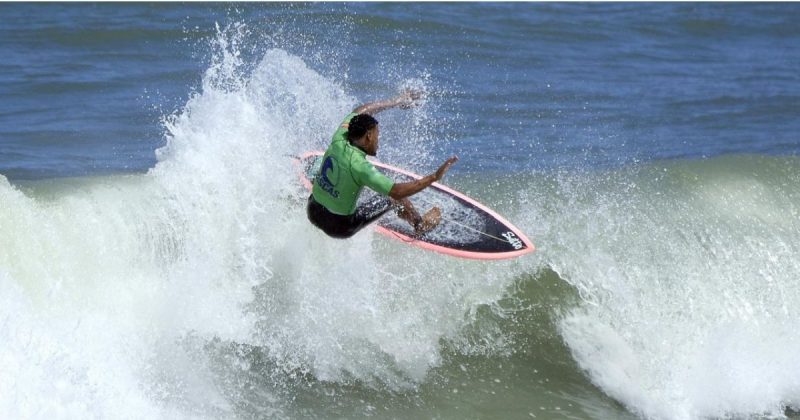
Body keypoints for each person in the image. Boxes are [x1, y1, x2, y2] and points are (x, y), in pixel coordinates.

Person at [307, 90, 458, 239]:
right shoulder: (360, 166)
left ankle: (316, 178)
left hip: (313, 210)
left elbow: (359, 111)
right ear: (368, 137)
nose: (378, 141)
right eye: (377, 136)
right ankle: (419, 225)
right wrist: (434, 177)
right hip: (340, 227)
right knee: (392, 198)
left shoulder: (340, 136)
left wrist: (398, 100)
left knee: (327, 163)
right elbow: (397, 191)